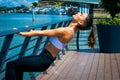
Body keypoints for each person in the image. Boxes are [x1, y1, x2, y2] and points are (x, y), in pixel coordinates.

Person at [5, 13, 96, 80]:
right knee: (18, 66)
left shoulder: (66, 31)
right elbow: (44, 32)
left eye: (81, 15)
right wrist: (31, 30)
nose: (78, 13)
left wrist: (21, 33)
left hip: (42, 60)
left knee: (11, 65)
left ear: (80, 22)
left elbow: (41, 33)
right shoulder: (70, 31)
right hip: (44, 59)